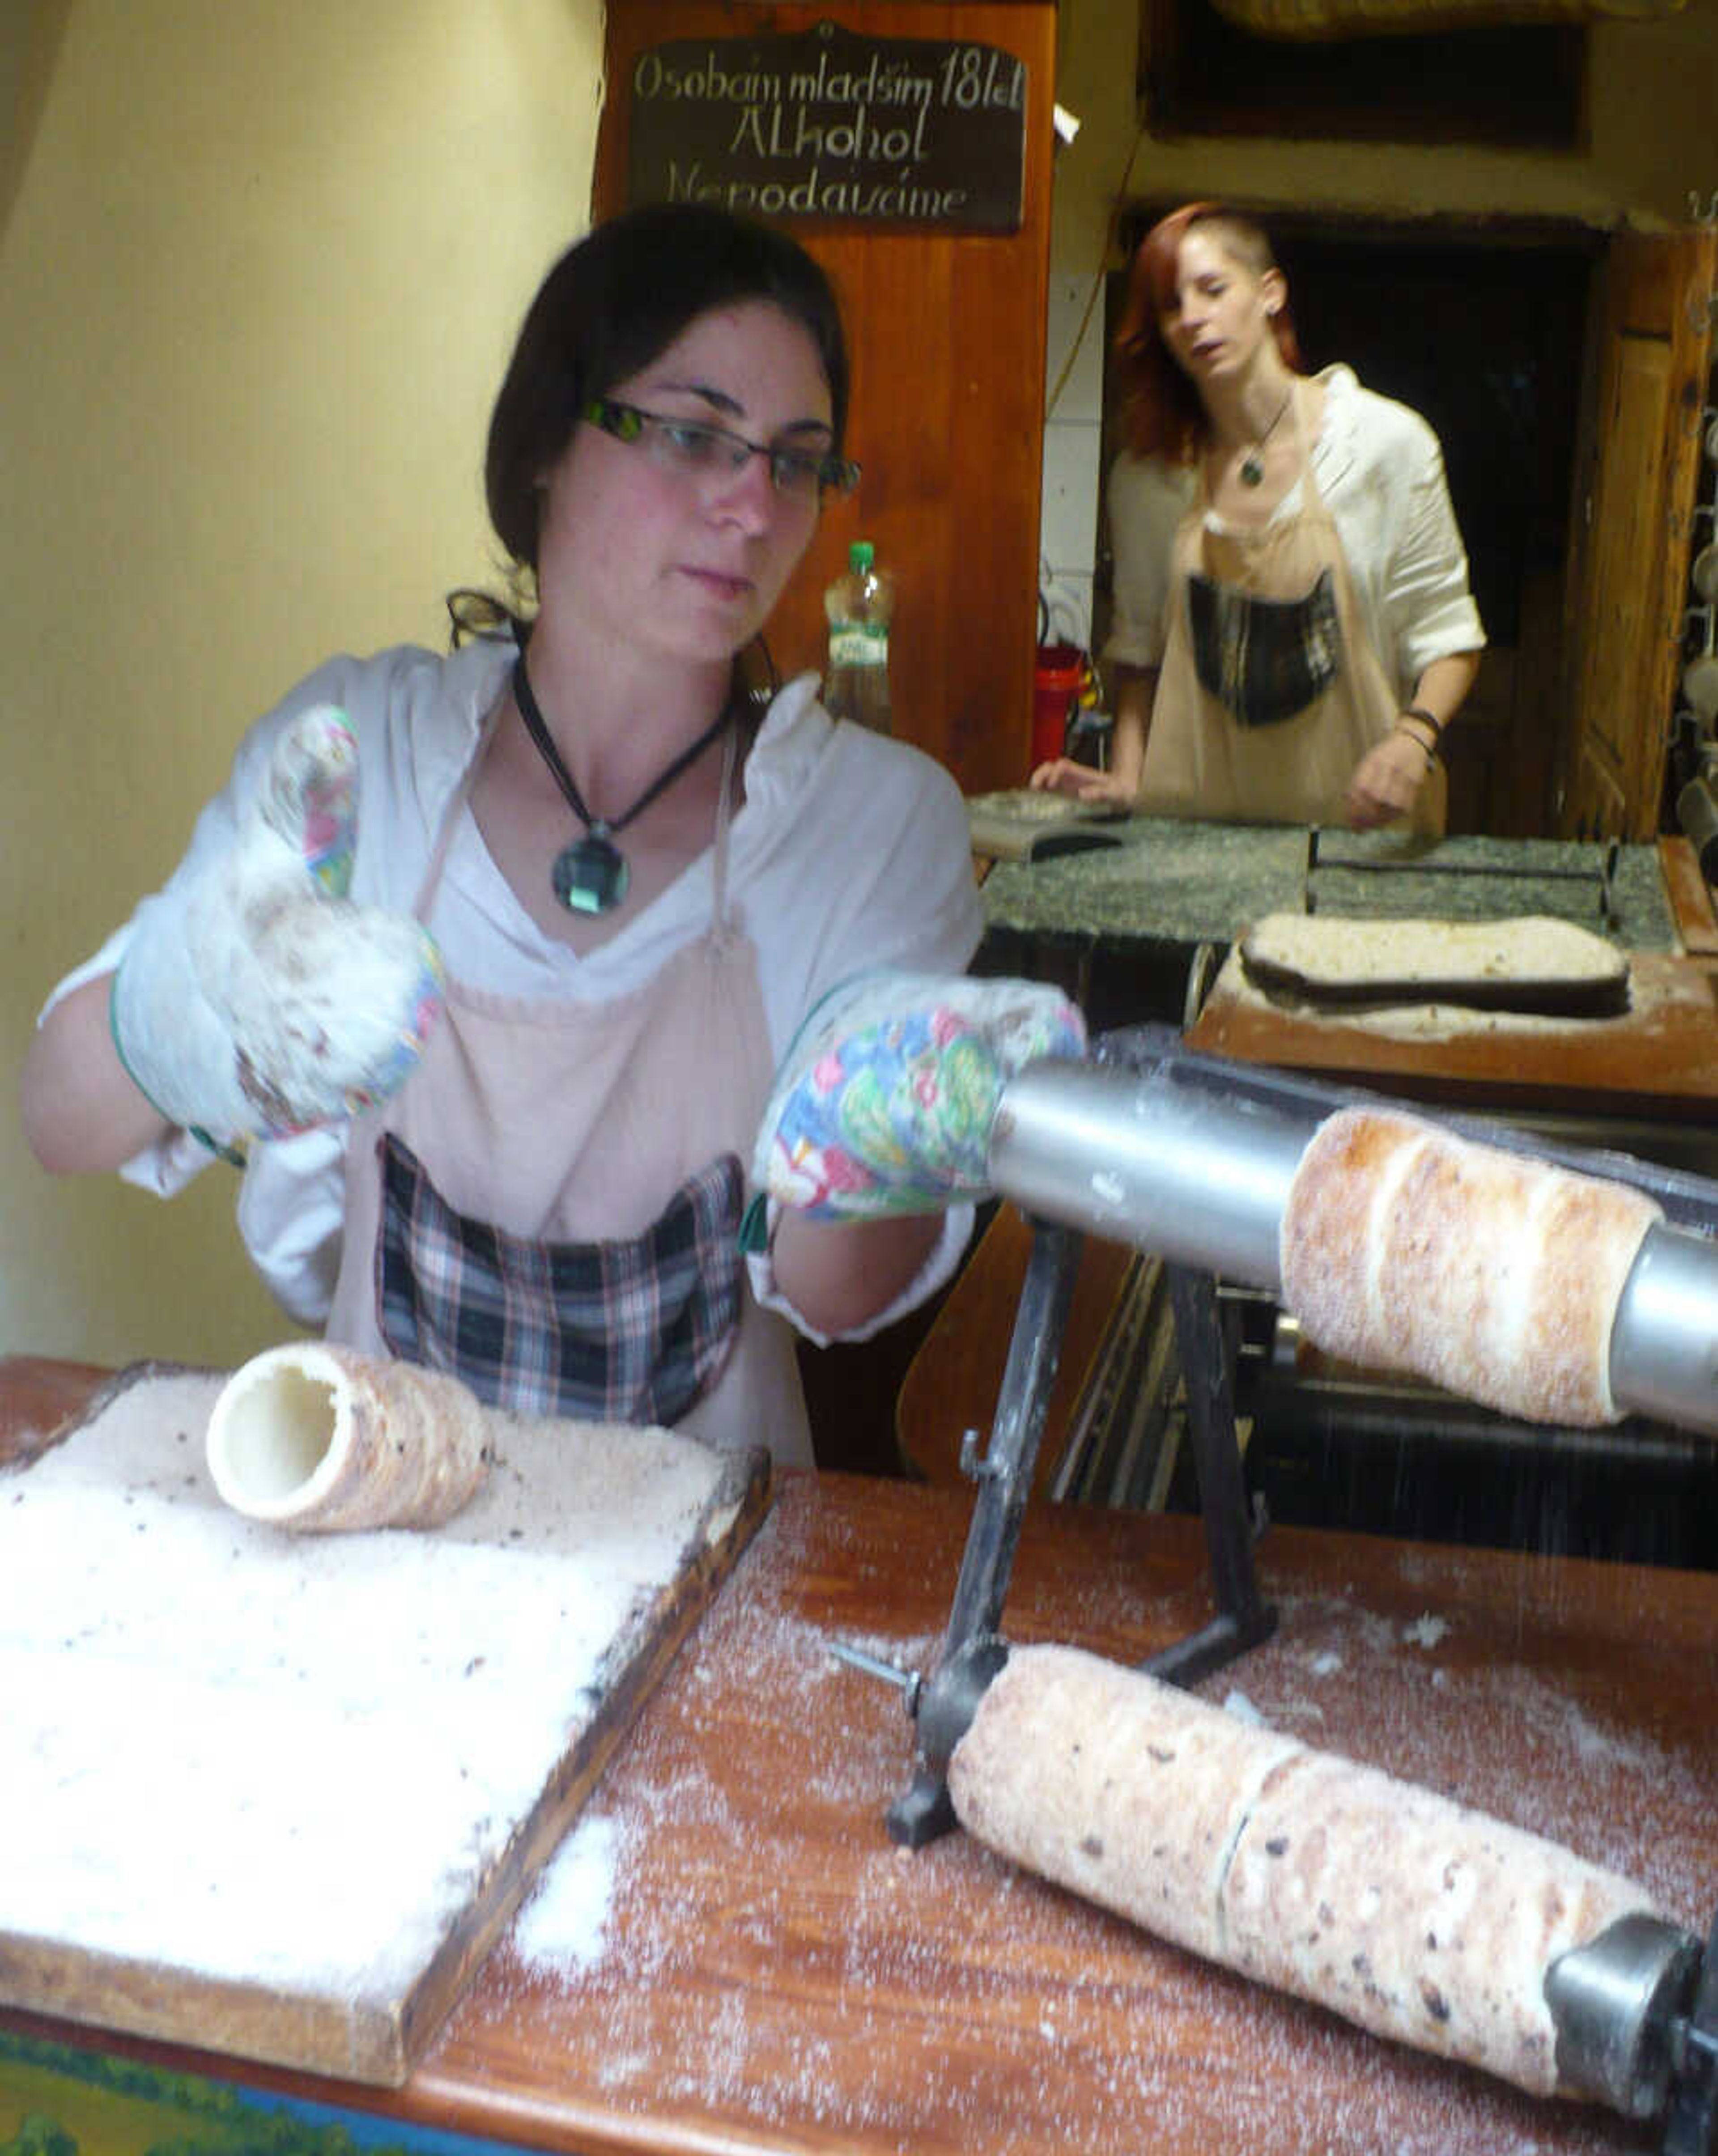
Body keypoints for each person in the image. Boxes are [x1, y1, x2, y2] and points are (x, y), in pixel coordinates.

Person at [20, 202, 992, 1469]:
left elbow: (846, 1292)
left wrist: (890, 1136)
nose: (754, 508)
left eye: (796, 459)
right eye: (693, 434)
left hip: (705, 1595)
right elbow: (60, 1120)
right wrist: (190, 1007)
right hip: (370, 1539)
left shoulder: (865, 825)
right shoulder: (364, 757)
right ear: (547, 442)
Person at [1032, 202, 1484, 832]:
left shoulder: (1383, 446)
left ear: (1270, 292)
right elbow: (1139, 658)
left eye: (1213, 290)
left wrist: (1414, 738)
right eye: (1170, 305)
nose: (1193, 318)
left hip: (1358, 842)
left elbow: (1449, 636)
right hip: (1195, 845)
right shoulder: (1148, 479)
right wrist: (1127, 781)